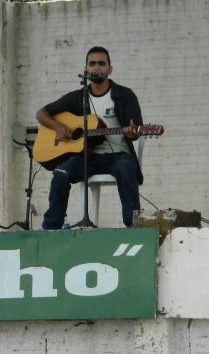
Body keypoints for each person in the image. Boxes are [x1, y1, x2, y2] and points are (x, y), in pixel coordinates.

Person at [37, 46, 143, 229]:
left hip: (119, 156)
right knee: (61, 173)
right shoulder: (78, 97)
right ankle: (51, 228)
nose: (97, 67)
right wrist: (58, 126)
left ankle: (133, 227)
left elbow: (136, 130)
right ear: (85, 69)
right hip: (88, 157)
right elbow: (41, 113)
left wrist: (134, 132)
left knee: (126, 168)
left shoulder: (125, 95)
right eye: (92, 63)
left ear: (110, 69)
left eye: (102, 63)